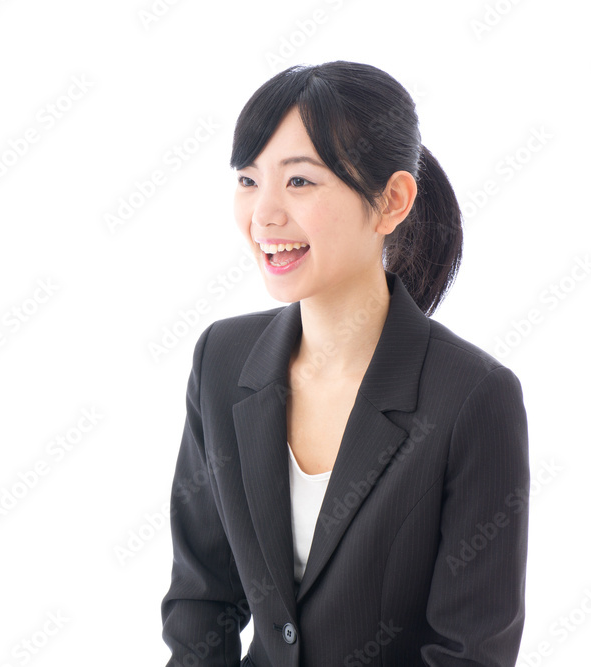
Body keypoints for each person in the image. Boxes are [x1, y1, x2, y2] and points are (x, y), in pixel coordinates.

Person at [160, 60, 529, 666]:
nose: (264, 216)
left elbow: (470, 652)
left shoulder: (472, 396)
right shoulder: (222, 360)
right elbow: (203, 599)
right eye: (249, 181)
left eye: (300, 182)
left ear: (391, 201)